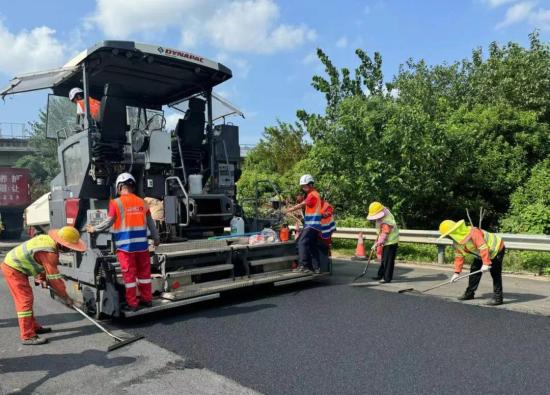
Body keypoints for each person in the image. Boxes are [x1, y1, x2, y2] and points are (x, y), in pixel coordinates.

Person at [86, 173, 160, 311]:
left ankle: (133, 304)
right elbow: (151, 223)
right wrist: (156, 238)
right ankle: (147, 300)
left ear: (119, 187)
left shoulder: (116, 203)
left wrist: (93, 229)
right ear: (132, 185)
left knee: (129, 276)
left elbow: (108, 222)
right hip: (142, 247)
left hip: (126, 248)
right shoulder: (143, 202)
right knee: (144, 275)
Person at [1, 226, 86, 345]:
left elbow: (39, 262)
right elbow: (55, 281)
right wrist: (66, 298)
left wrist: (42, 278)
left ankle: (34, 327)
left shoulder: (47, 240)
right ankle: (28, 335)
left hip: (16, 266)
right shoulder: (50, 252)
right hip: (13, 269)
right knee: (25, 301)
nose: (70, 250)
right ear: (63, 244)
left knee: (28, 300)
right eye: (69, 247)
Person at [438, 219, 505, 306]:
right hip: (481, 253)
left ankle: (498, 298)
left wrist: (486, 263)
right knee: (474, 270)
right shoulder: (457, 241)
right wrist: (456, 273)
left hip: (496, 249)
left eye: (447, 235)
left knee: (495, 273)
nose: (447, 237)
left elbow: (483, 247)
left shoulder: (473, 232)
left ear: (453, 232)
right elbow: (459, 256)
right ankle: (470, 293)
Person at [284, 174, 322, 274]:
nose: (303, 187)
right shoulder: (314, 194)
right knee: (311, 245)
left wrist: (288, 210)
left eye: (304, 185)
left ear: (310, 184)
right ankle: (316, 267)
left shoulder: (312, 195)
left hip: (311, 225)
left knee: (302, 243)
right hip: (314, 226)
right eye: (302, 186)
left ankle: (304, 266)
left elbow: (302, 205)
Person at [367, 201, 399, 283]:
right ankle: (380, 275)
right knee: (384, 260)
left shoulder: (386, 222)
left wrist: (377, 244)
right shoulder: (385, 211)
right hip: (387, 241)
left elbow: (384, 235)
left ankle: (387, 278)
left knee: (388, 261)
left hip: (391, 242)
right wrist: (377, 240)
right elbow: (381, 233)